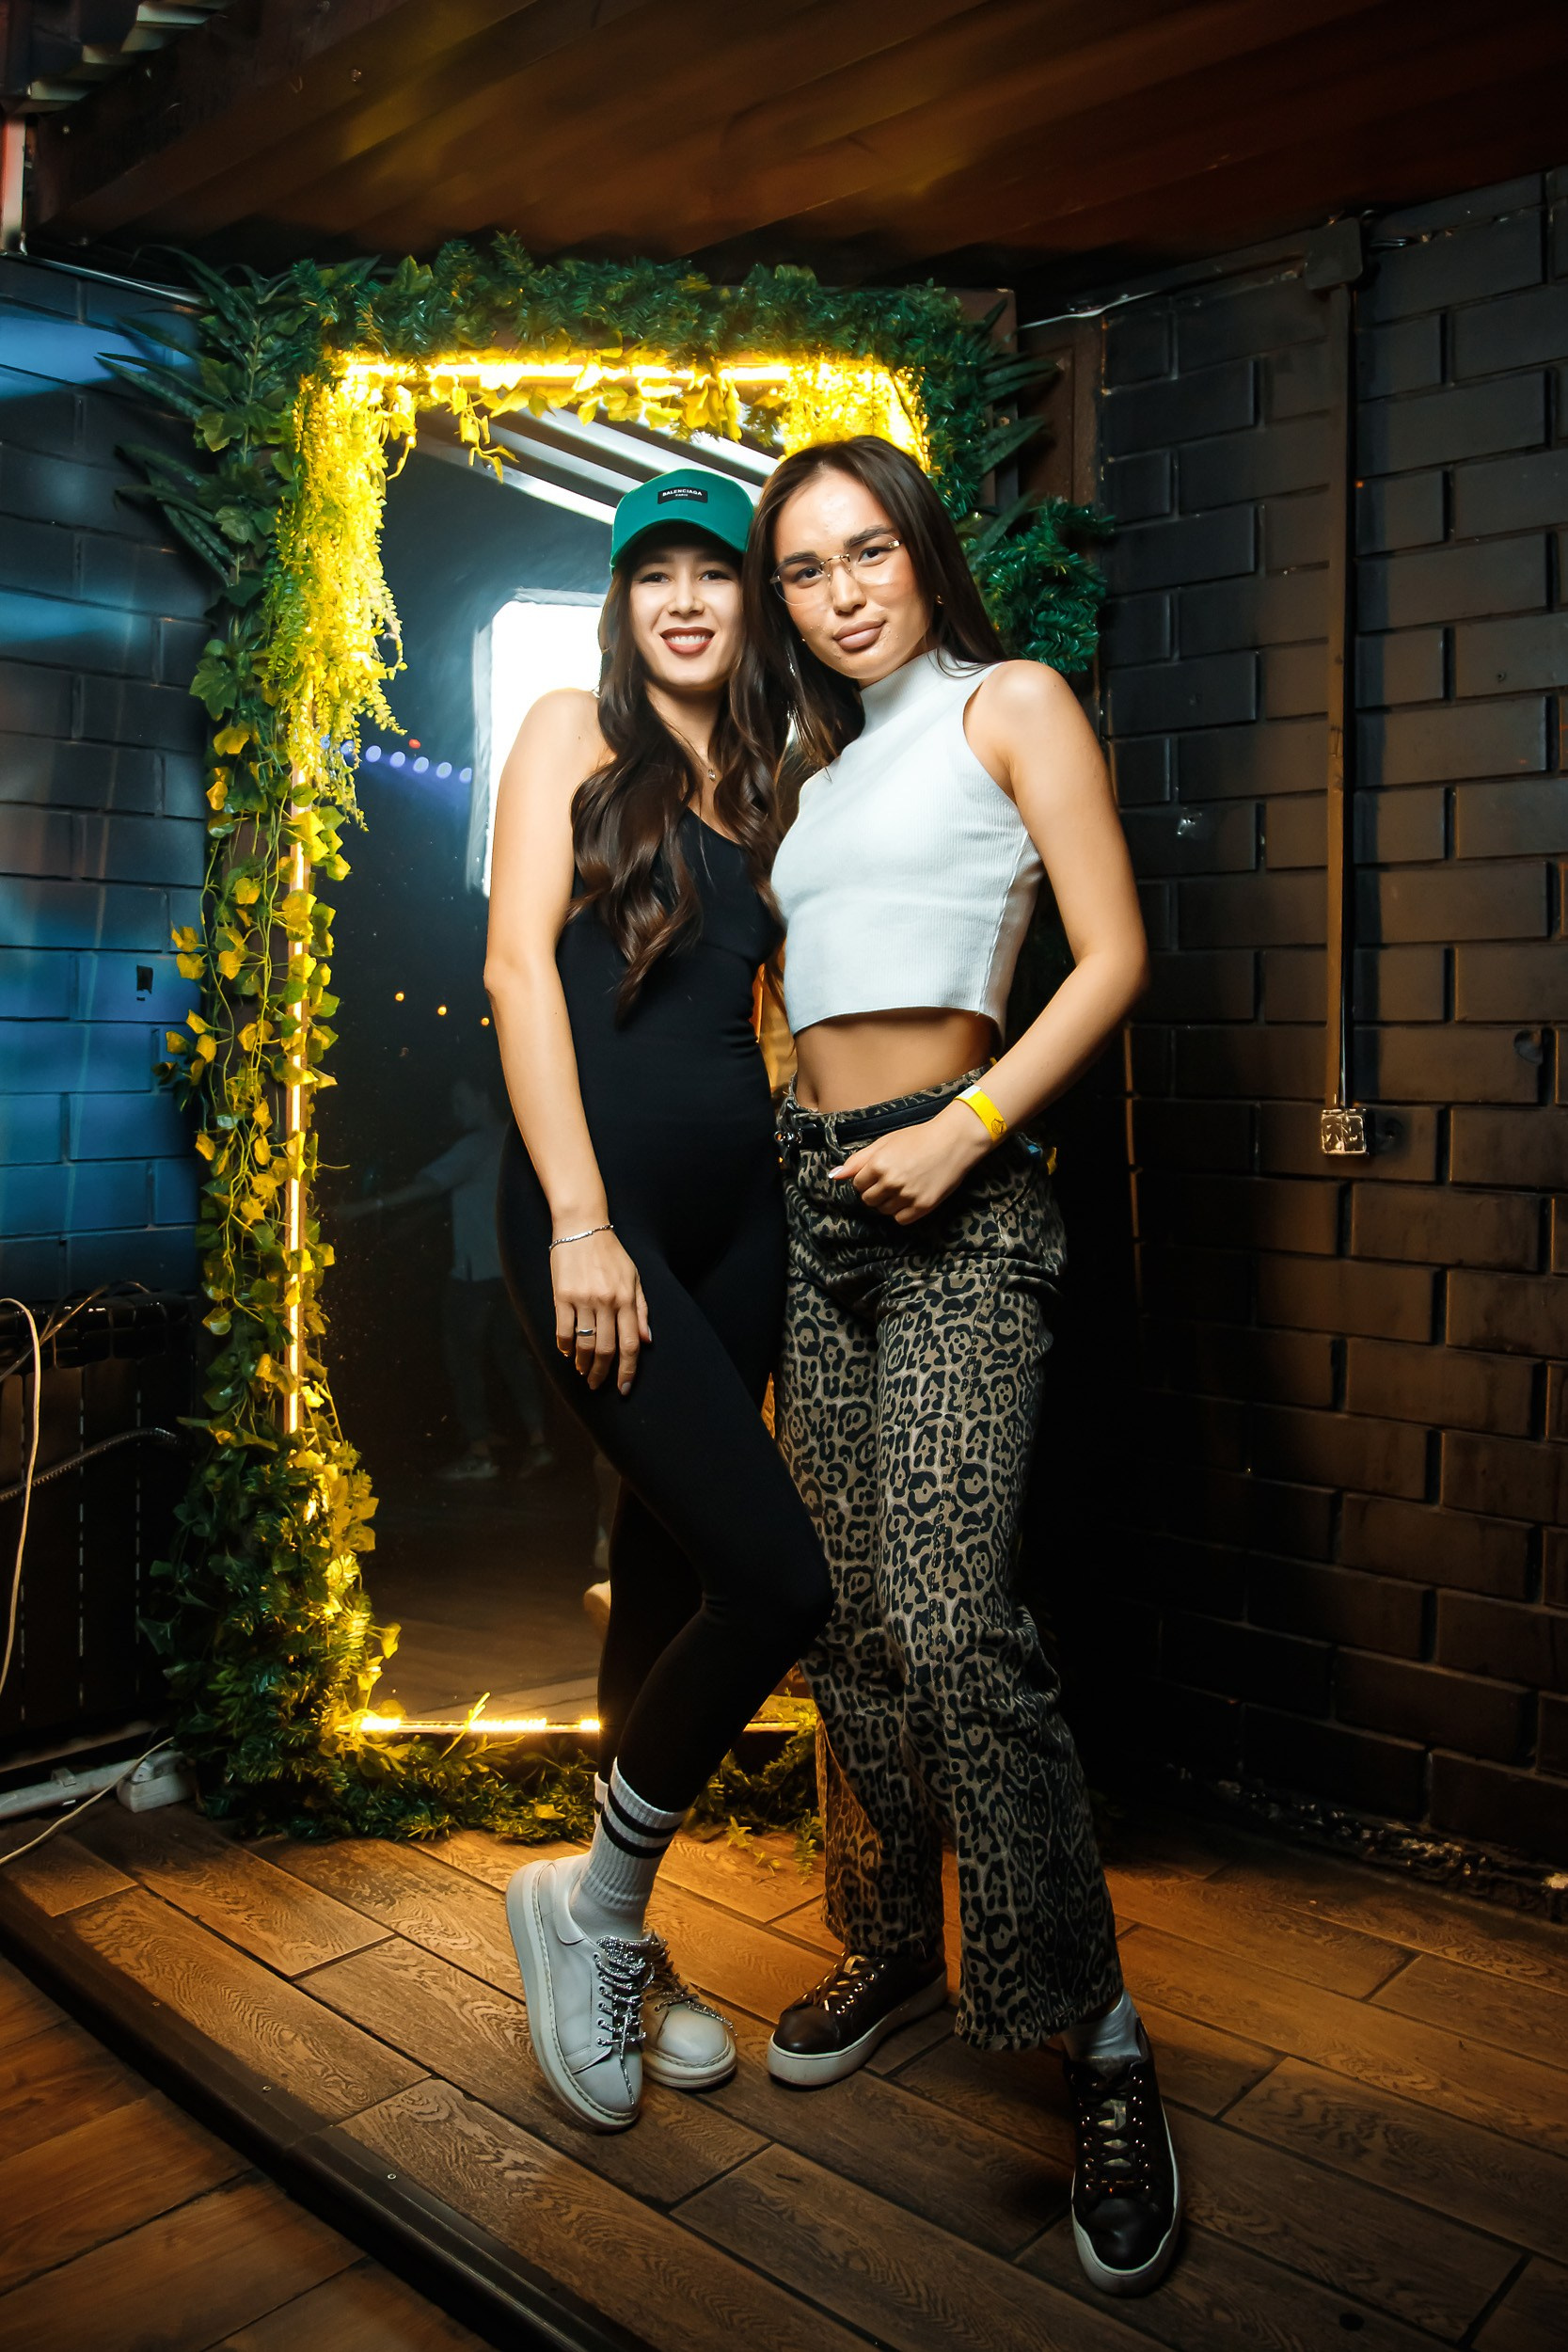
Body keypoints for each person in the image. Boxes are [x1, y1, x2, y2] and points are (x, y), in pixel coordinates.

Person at [738, 435, 1180, 2296]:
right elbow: (800, 980)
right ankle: (887, 1939)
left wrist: (963, 1127)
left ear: (921, 553)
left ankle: (1098, 2040)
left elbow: (1112, 956)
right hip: (816, 1196)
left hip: (961, 1188)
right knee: (844, 1617)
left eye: (866, 551)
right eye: (803, 570)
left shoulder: (1011, 702)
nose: (840, 591)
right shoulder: (813, 770)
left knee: (949, 1621)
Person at [485, 467, 833, 2132]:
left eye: (715, 572)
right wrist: (578, 1219)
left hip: (740, 1220)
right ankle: (593, 1910)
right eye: (654, 575)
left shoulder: (779, 775)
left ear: (751, 600)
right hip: (595, 1215)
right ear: (622, 607)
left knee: (679, 1573)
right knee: (778, 1580)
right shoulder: (572, 731)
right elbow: (512, 966)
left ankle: (622, 1931)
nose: (687, 601)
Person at [337, 1070, 552, 1483]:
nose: (455, 1110)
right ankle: (539, 1443)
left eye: (461, 1101)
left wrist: (362, 1208)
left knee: (463, 1360)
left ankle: (479, 1451)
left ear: (483, 1097)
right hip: (513, 1276)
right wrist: (410, 1226)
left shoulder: (475, 1144)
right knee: (512, 1356)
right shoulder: (516, 1141)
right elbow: (465, 1196)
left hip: (474, 1276)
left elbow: (428, 1187)